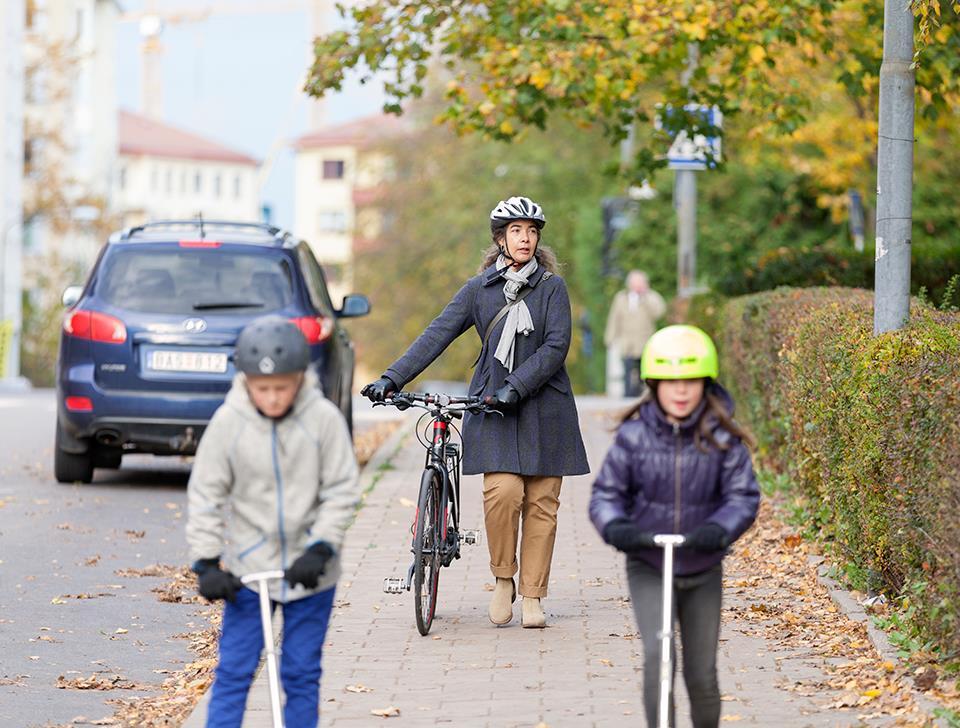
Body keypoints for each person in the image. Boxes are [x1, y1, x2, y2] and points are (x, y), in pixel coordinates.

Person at [362, 195, 589, 628]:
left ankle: (532, 596)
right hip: (493, 406)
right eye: (516, 231)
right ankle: (504, 579)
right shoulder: (478, 290)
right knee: (503, 494)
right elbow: (436, 335)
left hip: (545, 407)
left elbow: (556, 347)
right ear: (501, 239)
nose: (526, 238)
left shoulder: (552, 289)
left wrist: (516, 387)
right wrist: (392, 378)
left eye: (532, 231)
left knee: (542, 501)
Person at [186, 315, 359, 728]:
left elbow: (342, 489)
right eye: (263, 389)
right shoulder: (229, 424)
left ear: (300, 378)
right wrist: (207, 561)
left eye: (283, 387)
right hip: (250, 569)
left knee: (300, 673)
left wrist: (322, 545)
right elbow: (206, 494)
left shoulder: (323, 420)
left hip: (311, 571)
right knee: (233, 673)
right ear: (246, 381)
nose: (274, 398)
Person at [588, 325, 760, 727]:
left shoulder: (723, 439)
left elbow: (743, 496)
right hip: (650, 564)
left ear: (705, 384)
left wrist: (720, 528)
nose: (680, 391)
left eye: (690, 381)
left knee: (701, 674)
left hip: (702, 567)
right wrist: (616, 527)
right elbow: (606, 495)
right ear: (654, 384)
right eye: (670, 382)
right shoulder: (634, 437)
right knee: (658, 657)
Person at [604, 270, 666, 397]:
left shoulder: (651, 297)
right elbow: (614, 318)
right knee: (627, 369)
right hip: (627, 342)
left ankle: (645, 395)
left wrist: (645, 296)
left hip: (645, 341)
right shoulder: (621, 297)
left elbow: (659, 312)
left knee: (644, 370)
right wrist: (610, 338)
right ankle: (627, 396)